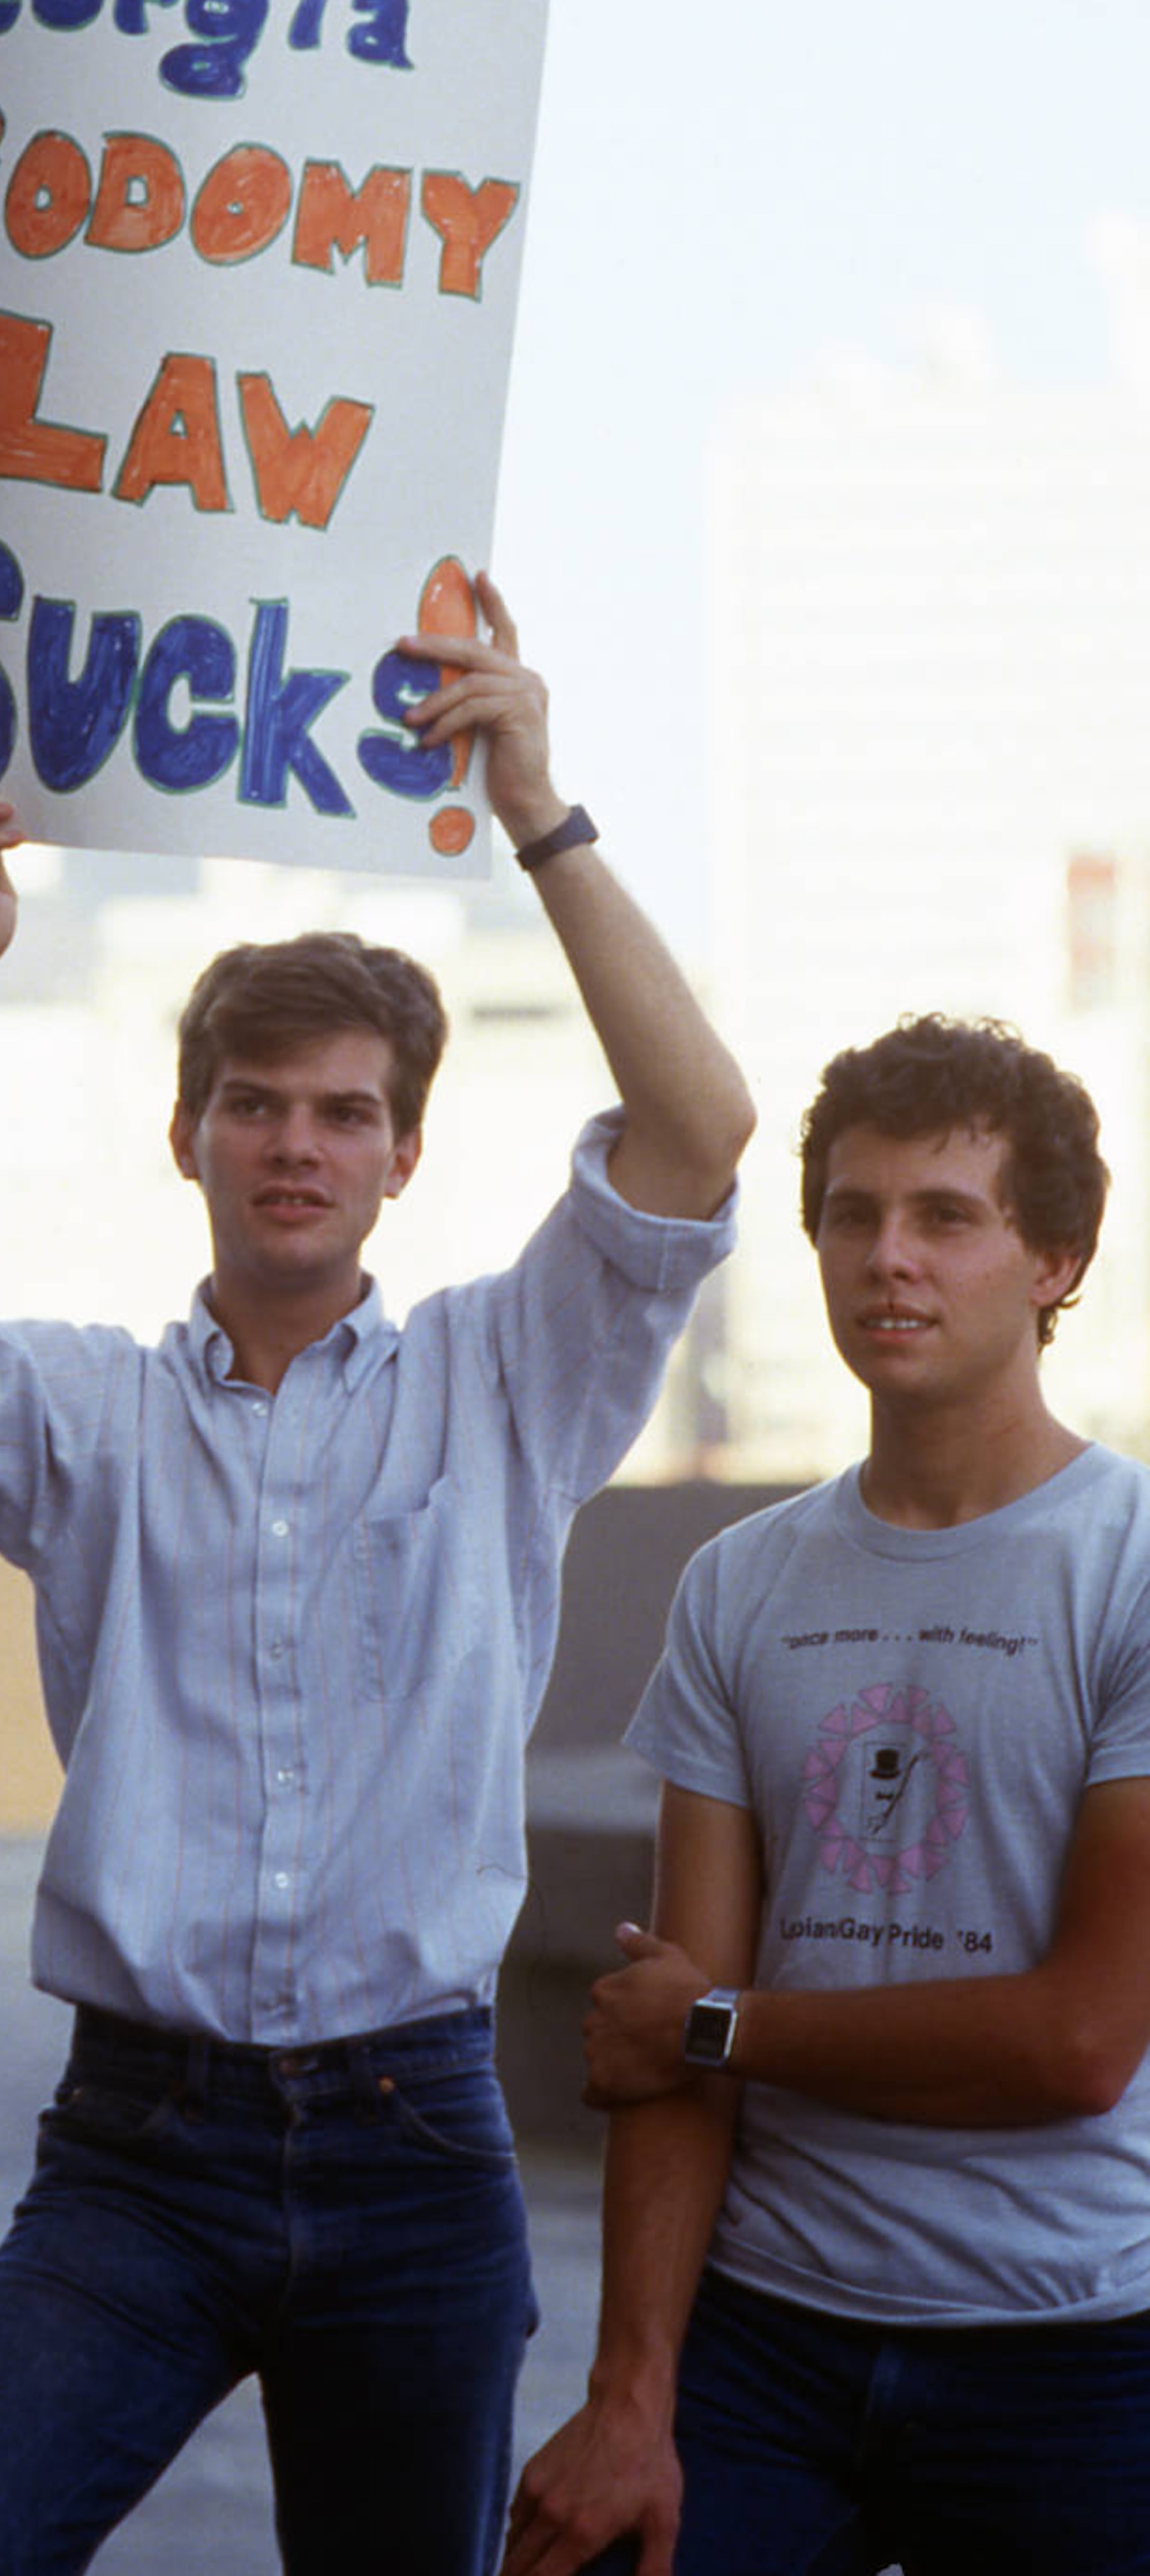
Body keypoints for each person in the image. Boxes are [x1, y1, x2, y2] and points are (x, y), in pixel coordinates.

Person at [0, 574, 751, 2576]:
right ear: (186, 1135)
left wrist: (539, 808)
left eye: (345, 1115)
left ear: (403, 1156)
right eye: (258, 1106)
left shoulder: (506, 1378)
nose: (299, 1143)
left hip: (417, 2146)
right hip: (136, 2160)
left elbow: (703, 1133)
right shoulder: (84, 1415)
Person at [504, 1014, 1150, 2576]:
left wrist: (726, 2024)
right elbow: (673, 2033)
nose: (889, 1260)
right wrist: (629, 2398)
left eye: (948, 1217)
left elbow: (1077, 2043)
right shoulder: (744, 1583)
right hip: (768, 2334)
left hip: (1072, 2350)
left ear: (1056, 1260)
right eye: (852, 1216)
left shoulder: (1127, 1564)